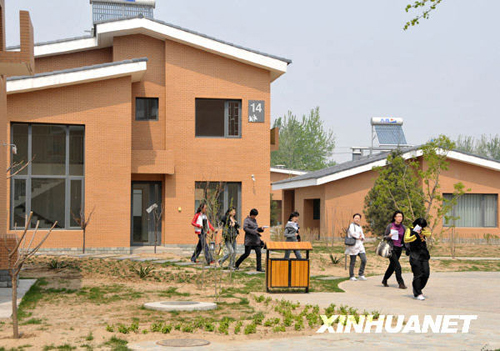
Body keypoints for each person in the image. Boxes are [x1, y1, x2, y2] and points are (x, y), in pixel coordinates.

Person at [404, 218, 432, 301]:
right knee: (418, 274)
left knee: (426, 273)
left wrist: (422, 233)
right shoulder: (409, 230)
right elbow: (406, 239)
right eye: (419, 225)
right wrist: (415, 235)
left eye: (422, 226)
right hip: (414, 255)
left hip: (424, 255)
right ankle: (418, 292)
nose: (420, 227)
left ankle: (417, 287)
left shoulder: (423, 231)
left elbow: (429, 234)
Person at [381, 210, 407, 289]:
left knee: (392, 266)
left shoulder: (403, 227)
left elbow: (404, 239)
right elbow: (385, 237)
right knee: (398, 266)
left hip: (399, 248)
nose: (400, 218)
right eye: (398, 216)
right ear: (395, 217)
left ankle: (385, 279)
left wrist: (406, 248)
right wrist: (389, 236)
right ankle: (401, 283)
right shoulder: (390, 226)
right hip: (391, 248)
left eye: (401, 216)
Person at [345, 213, 367, 281]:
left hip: (360, 246)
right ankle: (352, 275)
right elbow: (352, 233)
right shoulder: (351, 226)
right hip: (353, 246)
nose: (357, 219)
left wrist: (362, 238)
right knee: (353, 261)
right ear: (353, 219)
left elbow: (362, 234)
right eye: (355, 218)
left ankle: (361, 274)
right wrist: (358, 237)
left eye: (358, 218)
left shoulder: (359, 226)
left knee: (364, 260)